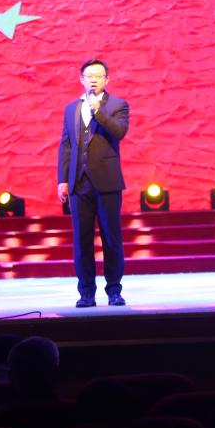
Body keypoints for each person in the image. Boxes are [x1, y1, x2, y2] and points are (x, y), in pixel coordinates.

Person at [57, 59, 129, 308]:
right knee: (82, 241)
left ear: (107, 80)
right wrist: (63, 179)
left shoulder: (118, 105)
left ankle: (114, 291)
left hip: (107, 182)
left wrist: (98, 110)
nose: (94, 79)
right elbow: (66, 144)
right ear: (82, 80)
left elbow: (119, 132)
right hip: (79, 183)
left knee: (111, 239)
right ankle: (86, 293)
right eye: (90, 76)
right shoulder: (71, 109)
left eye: (99, 76)